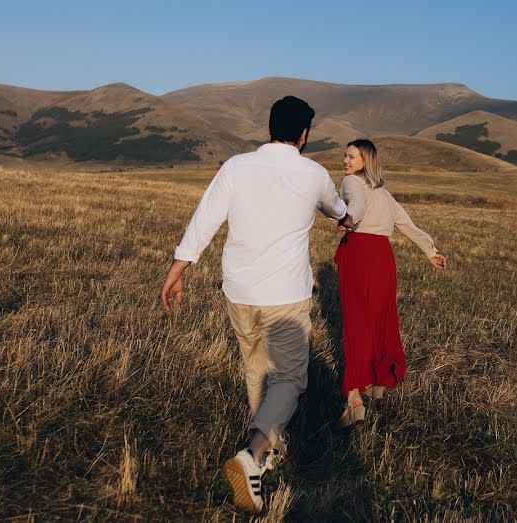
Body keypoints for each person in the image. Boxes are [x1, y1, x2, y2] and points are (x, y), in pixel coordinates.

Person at [160, 96, 352, 513]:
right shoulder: (314, 173)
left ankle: (268, 449)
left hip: (239, 291)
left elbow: (204, 219)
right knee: (289, 380)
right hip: (284, 294)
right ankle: (254, 452)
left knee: (255, 368)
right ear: (304, 135)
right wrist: (348, 219)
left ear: (268, 129)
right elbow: (338, 210)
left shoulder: (236, 167)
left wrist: (177, 270)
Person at [335, 139, 447, 427]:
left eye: (351, 157)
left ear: (365, 161)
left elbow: (355, 210)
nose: (345, 161)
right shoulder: (382, 192)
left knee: (357, 322)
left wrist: (348, 220)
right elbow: (406, 224)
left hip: (360, 255)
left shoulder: (351, 183)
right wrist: (430, 252)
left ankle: (354, 395)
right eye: (345, 156)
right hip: (383, 258)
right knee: (380, 319)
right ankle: (376, 382)